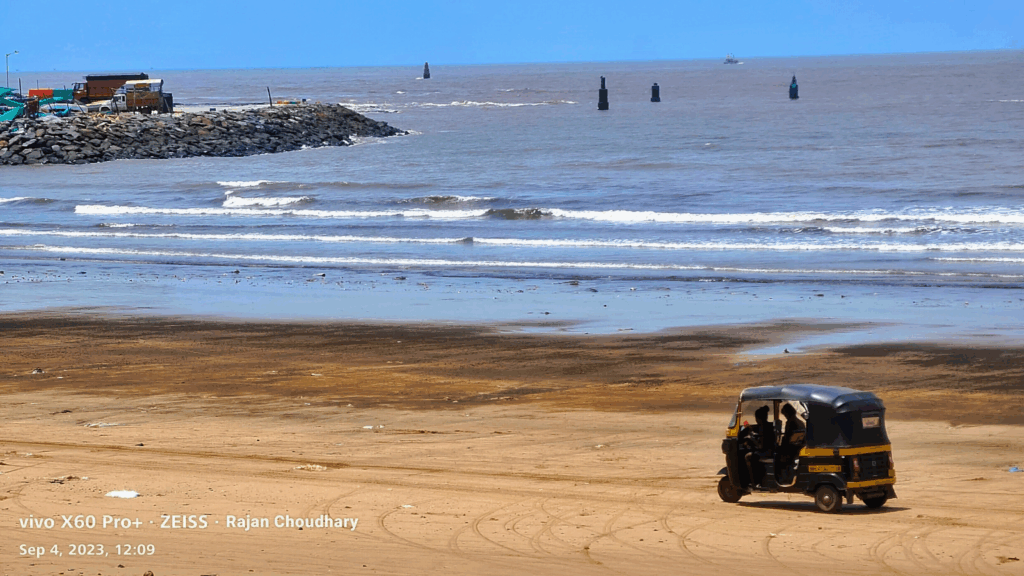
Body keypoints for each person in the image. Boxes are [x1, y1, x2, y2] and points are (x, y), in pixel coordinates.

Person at [744, 406, 774, 486]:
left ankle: (754, 481)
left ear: (758, 418)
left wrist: (751, 438)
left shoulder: (762, 427)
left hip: (767, 452)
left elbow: (761, 446)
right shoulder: (768, 425)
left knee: (748, 456)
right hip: (771, 450)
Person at [779, 403, 806, 480]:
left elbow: (787, 438)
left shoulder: (790, 422)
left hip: (792, 448)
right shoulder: (800, 422)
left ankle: (783, 477)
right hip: (799, 446)